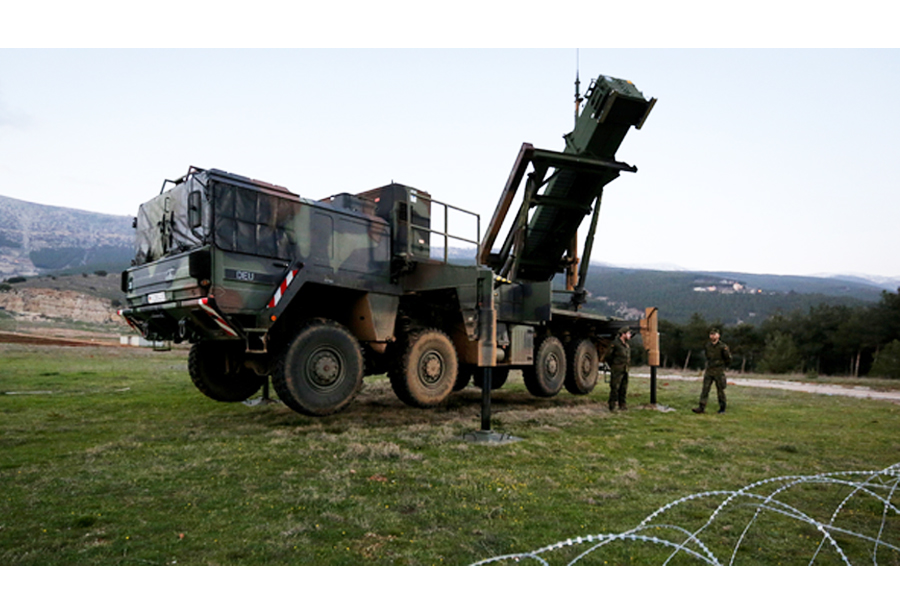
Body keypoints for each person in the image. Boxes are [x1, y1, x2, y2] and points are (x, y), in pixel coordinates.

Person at [693, 327, 733, 414]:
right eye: (711, 334)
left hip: (719, 371)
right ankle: (701, 407)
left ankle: (722, 408)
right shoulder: (708, 346)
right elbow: (707, 356)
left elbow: (728, 358)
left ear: (718, 335)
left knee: (720, 390)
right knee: (705, 389)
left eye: (714, 334)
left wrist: (723, 366)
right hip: (709, 370)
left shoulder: (723, 347)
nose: (712, 336)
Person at [606, 327, 632, 411]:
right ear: (623, 334)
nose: (630, 335)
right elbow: (608, 356)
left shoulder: (626, 345)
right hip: (617, 369)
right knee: (615, 387)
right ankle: (612, 405)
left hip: (625, 369)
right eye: (628, 333)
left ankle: (622, 405)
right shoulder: (615, 344)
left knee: (623, 388)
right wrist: (614, 365)